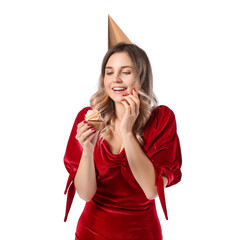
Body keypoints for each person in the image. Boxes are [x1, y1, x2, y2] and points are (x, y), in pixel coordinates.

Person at [63, 16, 182, 240]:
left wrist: (128, 132)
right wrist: (87, 151)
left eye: (125, 72)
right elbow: (86, 195)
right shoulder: (88, 118)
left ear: (141, 76)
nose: (115, 79)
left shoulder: (161, 119)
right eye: (109, 72)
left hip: (142, 234)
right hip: (91, 232)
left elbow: (151, 190)